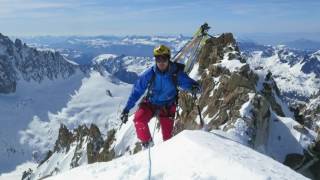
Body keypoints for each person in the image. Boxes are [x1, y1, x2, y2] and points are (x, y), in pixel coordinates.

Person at [120, 44, 201, 148]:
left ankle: (166, 155)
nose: (161, 62)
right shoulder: (150, 74)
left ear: (168, 59)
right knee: (139, 120)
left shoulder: (176, 74)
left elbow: (190, 84)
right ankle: (148, 145)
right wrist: (127, 109)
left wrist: (195, 88)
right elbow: (137, 91)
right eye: (158, 59)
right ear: (155, 60)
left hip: (167, 107)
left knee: (168, 140)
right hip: (150, 103)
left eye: (164, 58)